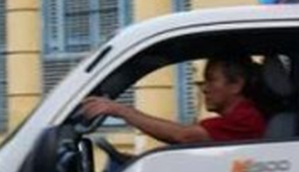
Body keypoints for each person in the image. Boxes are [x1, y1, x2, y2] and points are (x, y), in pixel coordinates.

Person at [79, 55, 267, 146]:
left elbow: (183, 136)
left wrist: (121, 111)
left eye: (211, 80)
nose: (204, 88)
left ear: (236, 85)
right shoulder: (238, 118)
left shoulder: (245, 118)